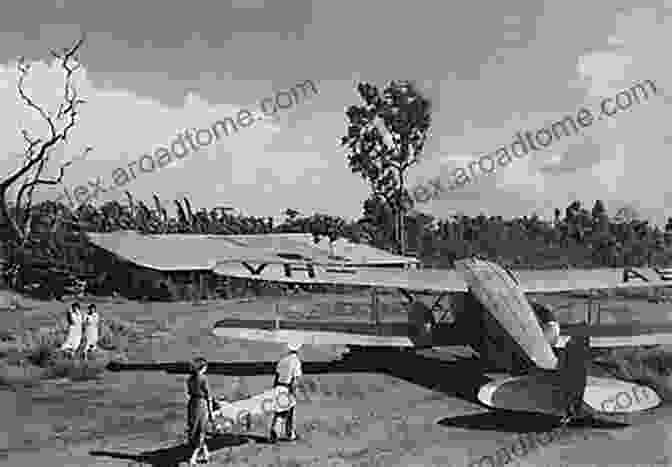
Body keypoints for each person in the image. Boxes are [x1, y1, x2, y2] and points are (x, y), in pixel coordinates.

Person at [269, 340, 302, 442]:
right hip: (288, 387)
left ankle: (275, 429)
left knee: (279, 410)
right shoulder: (296, 361)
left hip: (279, 386)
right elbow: (295, 379)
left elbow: (277, 376)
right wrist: (295, 392)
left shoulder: (282, 360)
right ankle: (289, 434)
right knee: (289, 412)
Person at [185, 357, 215, 464]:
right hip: (201, 405)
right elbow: (209, 396)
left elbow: (189, 392)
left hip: (192, 404)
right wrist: (211, 413)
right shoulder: (203, 379)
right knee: (201, 432)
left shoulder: (190, 379)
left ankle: (206, 453)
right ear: (202, 368)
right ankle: (193, 457)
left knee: (195, 430)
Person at [559, 334, 590, 426]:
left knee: (573, 394)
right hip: (574, 373)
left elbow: (565, 360)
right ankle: (572, 413)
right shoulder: (574, 345)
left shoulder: (571, 345)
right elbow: (566, 360)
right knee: (572, 394)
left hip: (576, 373)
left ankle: (574, 413)